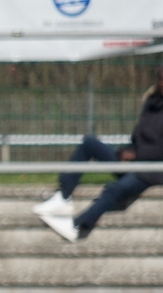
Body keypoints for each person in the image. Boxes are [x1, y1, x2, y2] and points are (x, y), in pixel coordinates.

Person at [33, 65, 163, 242]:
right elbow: (140, 138)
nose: (162, 83)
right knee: (89, 143)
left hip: (151, 172)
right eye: (160, 78)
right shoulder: (152, 103)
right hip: (135, 161)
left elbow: (157, 149)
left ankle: (78, 227)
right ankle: (63, 197)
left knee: (114, 189)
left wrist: (136, 155)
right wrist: (126, 151)